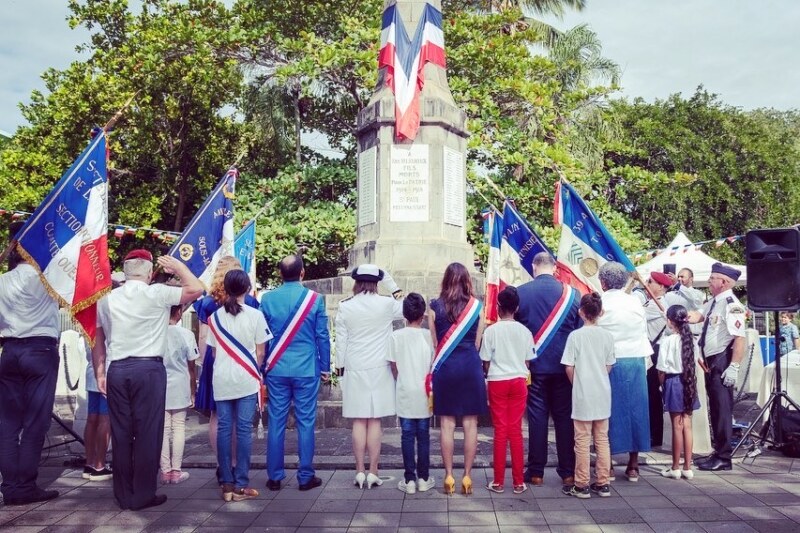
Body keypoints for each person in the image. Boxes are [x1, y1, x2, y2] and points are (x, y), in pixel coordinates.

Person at [93, 250, 203, 510]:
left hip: (118, 369)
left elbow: (98, 339)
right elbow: (197, 288)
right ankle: (143, 493)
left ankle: (123, 494)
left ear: (125, 271)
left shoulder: (106, 299)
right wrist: (178, 267)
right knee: (148, 433)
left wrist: (100, 372)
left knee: (121, 433)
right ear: (150, 273)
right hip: (148, 368)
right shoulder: (157, 293)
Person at [0, 221, 60, 505]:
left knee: (8, 423)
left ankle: (11, 485)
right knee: (36, 421)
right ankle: (24, 485)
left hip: (10, 349)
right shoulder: (49, 277)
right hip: (40, 350)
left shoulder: (2, 281)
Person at [260, 254, 330, 492]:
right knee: (306, 422)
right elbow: (322, 335)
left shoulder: (267, 299)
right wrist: (325, 367)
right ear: (302, 273)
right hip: (306, 368)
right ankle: (305, 476)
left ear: (280, 273)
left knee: (276, 422)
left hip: (276, 368)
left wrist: (262, 367)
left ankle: (274, 477)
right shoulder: (315, 299)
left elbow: (262, 337)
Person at [515, 252, 580, 488]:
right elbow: (577, 332)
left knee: (537, 418)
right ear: (554, 268)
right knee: (564, 418)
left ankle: (536, 472)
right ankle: (568, 472)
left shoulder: (520, 293)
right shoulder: (573, 294)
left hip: (535, 366)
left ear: (534, 266)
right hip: (564, 366)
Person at [335, 264, 403, 489]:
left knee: (358, 419)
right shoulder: (386, 304)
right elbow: (407, 307)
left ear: (356, 282)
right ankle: (373, 471)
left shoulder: (345, 306)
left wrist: (340, 371)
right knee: (374, 420)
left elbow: (341, 342)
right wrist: (392, 285)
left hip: (354, 367)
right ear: (376, 283)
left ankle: (359, 471)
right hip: (380, 367)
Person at [194, 256, 259, 483]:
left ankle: (222, 465)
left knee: (217, 416)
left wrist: (203, 366)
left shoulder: (208, 303)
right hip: (244, 362)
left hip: (215, 362)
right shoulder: (250, 302)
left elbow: (203, 337)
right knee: (240, 419)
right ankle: (237, 465)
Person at [207, 269, 271, 501]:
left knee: (224, 428)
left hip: (222, 378)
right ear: (247, 288)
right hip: (246, 378)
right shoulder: (255, 315)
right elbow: (261, 352)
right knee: (244, 430)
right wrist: (255, 369)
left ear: (225, 288)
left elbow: (214, 353)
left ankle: (226, 484)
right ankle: (241, 484)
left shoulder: (214, 317)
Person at [428, 262, 487, 495]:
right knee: (471, 424)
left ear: (445, 280)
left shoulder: (434, 307)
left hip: (446, 369)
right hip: (470, 367)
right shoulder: (477, 307)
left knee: (447, 424)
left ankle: (449, 476)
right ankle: (468, 477)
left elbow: (435, 343)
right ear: (467, 281)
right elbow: (477, 343)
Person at [596, 261, 652, 482]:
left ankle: (608, 464)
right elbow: (643, 329)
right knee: (636, 410)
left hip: (609, 361)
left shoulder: (600, 302)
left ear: (603, 282)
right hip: (636, 358)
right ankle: (633, 464)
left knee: (607, 411)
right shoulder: (635, 302)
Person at [688, 262, 746, 471]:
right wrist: (679, 314)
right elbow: (698, 316)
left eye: (713, 278)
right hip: (710, 362)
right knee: (715, 408)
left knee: (722, 409)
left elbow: (739, 338)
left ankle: (724, 457)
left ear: (724, 282)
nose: (709, 281)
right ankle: (718, 451)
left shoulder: (731, 305)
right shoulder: (714, 302)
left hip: (722, 361)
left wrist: (734, 366)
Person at [480, 286, 535, 495]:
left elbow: (485, 361)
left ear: (498, 307)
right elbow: (528, 361)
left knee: (500, 431)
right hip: (519, 380)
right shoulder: (525, 331)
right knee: (516, 431)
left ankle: (498, 481)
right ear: (517, 308)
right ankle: (519, 481)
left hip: (497, 381)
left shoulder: (491, 331)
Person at [561, 292, 615, 499]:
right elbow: (609, 364)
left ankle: (581, 483)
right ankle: (603, 482)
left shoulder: (575, 336)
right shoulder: (607, 336)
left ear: (581, 312)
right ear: (600, 312)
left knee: (582, 440)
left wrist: (578, 383)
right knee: (602, 439)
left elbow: (569, 366)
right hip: (602, 392)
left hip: (583, 393)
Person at [387, 292, 435, 495]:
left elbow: (393, 367)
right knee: (423, 436)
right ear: (422, 315)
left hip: (405, 391)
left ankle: (409, 480)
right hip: (424, 393)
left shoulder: (395, 337)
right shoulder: (429, 337)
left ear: (404, 315)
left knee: (407, 436)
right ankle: (423, 478)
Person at [636, 271, 683, 448]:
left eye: (651, 282)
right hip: (652, 350)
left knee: (652, 394)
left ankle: (654, 435)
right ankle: (653, 433)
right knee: (650, 393)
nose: (647, 284)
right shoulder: (653, 302)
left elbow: (636, 313)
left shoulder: (657, 305)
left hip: (654, 352)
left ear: (661, 287)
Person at [658, 305, 701, 480]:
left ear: (669, 321)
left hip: (673, 381)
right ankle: (687, 467)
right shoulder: (692, 340)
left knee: (677, 426)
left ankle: (675, 467)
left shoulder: (667, 341)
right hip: (689, 382)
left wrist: (662, 385)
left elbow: (661, 369)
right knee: (687, 425)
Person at [160, 304, 200, 484]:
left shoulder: (155, 332)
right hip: (180, 384)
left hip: (160, 384)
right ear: (178, 312)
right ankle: (176, 471)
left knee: (163, 429)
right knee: (178, 428)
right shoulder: (186, 334)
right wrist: (193, 391)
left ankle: (165, 470)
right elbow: (192, 366)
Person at [78, 328, 112, 482]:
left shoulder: (89, 323)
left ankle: (89, 463)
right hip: (106, 371)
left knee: (92, 419)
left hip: (92, 371)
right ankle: (99, 465)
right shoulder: (105, 323)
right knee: (105, 419)